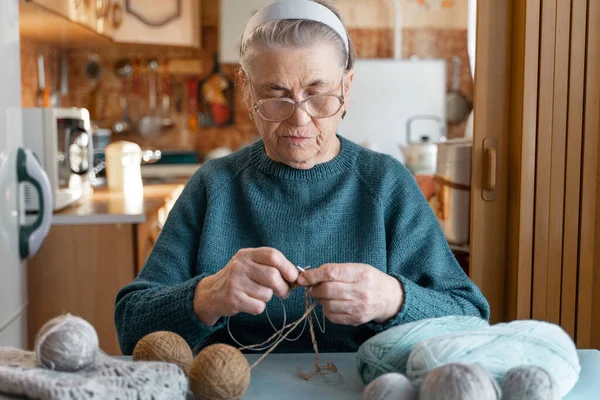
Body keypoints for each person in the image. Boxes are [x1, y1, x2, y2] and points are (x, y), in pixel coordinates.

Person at [114, 0, 490, 355]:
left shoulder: (387, 185)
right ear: (246, 92)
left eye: (318, 94)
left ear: (347, 87)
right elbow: (130, 328)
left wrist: (391, 299)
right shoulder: (214, 187)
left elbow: (471, 320)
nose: (299, 118)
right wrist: (207, 296)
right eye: (276, 95)